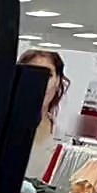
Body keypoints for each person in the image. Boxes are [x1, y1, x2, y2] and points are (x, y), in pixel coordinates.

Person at [20, 47, 68, 180]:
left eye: (48, 75)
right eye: (33, 74)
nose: (40, 82)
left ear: (58, 81)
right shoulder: (1, 125)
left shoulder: (60, 137)